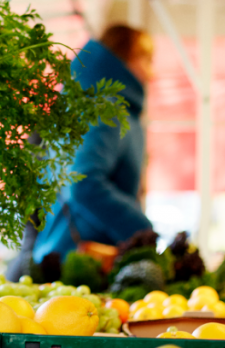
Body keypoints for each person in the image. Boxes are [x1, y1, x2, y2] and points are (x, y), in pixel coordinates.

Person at [32, 24, 153, 264]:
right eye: (146, 59)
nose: (152, 72)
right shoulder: (105, 109)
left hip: (62, 251)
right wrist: (140, 230)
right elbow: (83, 182)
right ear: (123, 59)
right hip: (81, 260)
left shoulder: (84, 103)